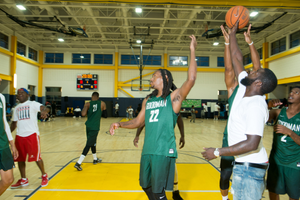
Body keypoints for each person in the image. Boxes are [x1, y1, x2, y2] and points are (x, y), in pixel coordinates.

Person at [109, 35, 197, 200]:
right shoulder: (148, 100)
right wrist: (119, 124)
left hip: (163, 151)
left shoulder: (173, 99)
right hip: (147, 150)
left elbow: (191, 80)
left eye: (154, 76)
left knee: (158, 191)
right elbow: (137, 122)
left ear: (164, 79)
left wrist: (192, 51)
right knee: (145, 185)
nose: (151, 78)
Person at [201, 21, 278, 200]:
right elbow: (236, 58)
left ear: (258, 83)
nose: (251, 70)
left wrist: (218, 152)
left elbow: (252, 144)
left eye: (255, 73)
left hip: (250, 168)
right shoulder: (244, 87)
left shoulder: (256, 106)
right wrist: (233, 33)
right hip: (243, 165)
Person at [216, 24, 263, 200]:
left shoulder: (257, 91)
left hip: (248, 145)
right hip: (230, 140)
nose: (250, 72)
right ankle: (225, 198)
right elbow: (230, 68)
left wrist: (251, 43)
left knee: (243, 180)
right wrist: (227, 44)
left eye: (252, 73)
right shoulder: (233, 88)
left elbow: (257, 68)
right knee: (224, 177)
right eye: (248, 71)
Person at [133, 114, 185, 200]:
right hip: (152, 144)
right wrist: (137, 134)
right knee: (147, 179)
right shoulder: (151, 104)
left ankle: (175, 191)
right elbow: (142, 120)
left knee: (171, 167)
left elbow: (179, 118)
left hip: (167, 143)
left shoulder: (171, 104)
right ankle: (161, 193)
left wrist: (182, 135)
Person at [10, 88, 50, 188]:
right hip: (19, 136)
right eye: (18, 93)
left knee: (37, 157)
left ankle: (44, 175)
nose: (20, 95)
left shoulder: (32, 104)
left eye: (22, 93)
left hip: (32, 135)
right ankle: (24, 179)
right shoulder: (16, 108)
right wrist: (7, 134)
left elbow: (46, 107)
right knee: (20, 159)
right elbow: (14, 124)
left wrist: (44, 112)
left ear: (28, 95)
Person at [266, 89, 300, 200]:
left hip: (294, 162)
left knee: (293, 195)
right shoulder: (278, 112)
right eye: (290, 92)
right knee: (273, 190)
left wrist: (289, 132)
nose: (291, 93)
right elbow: (260, 117)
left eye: (296, 93)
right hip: (276, 160)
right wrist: (268, 106)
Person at [74, 92, 107, 171]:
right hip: (95, 126)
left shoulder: (88, 104)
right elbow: (106, 116)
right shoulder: (102, 103)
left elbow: (83, 114)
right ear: (98, 97)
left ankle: (95, 159)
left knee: (92, 142)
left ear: (92, 96)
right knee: (89, 144)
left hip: (88, 126)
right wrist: (99, 112)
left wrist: (86, 107)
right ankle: (78, 163)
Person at [0, 78, 18, 196]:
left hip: (2, 144)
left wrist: (12, 143)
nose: (0, 79)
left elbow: (4, 121)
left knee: (8, 180)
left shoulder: (1, 97)